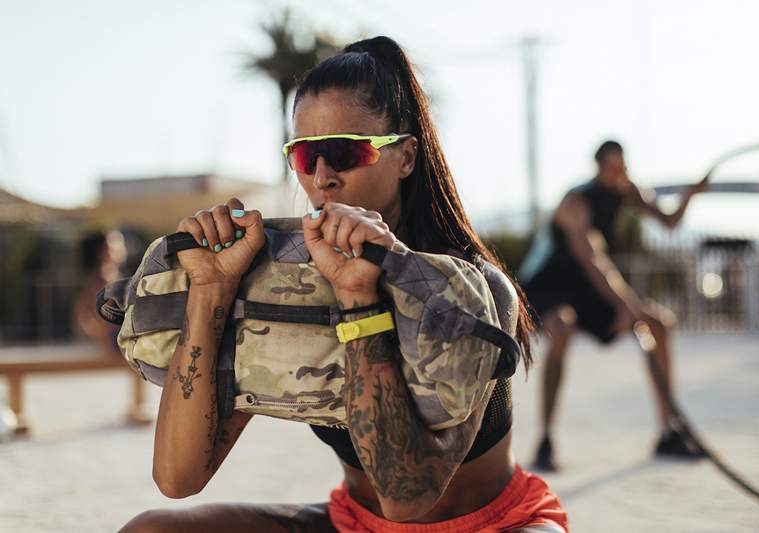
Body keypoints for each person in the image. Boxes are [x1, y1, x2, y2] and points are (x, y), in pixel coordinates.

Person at [120, 37, 568, 532]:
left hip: (493, 524)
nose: (323, 177)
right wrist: (212, 291)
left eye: (344, 152)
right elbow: (179, 477)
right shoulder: (283, 284)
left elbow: (406, 496)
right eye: (305, 156)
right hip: (355, 523)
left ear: (405, 157)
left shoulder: (471, 290)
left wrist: (359, 299)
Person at [519, 140, 709, 471]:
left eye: (621, 165)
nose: (617, 172)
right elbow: (592, 259)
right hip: (549, 285)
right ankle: (545, 440)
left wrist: (689, 196)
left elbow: (669, 222)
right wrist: (626, 304)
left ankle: (668, 431)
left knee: (658, 324)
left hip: (590, 288)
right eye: (610, 166)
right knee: (562, 326)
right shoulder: (576, 201)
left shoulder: (628, 191)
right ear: (598, 167)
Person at [73, 230, 150, 424]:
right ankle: (137, 406)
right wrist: (101, 339)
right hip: (113, 339)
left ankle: (137, 406)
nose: (121, 248)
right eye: (116, 244)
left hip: (113, 337)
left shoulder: (108, 275)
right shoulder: (104, 276)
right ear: (104, 252)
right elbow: (87, 311)